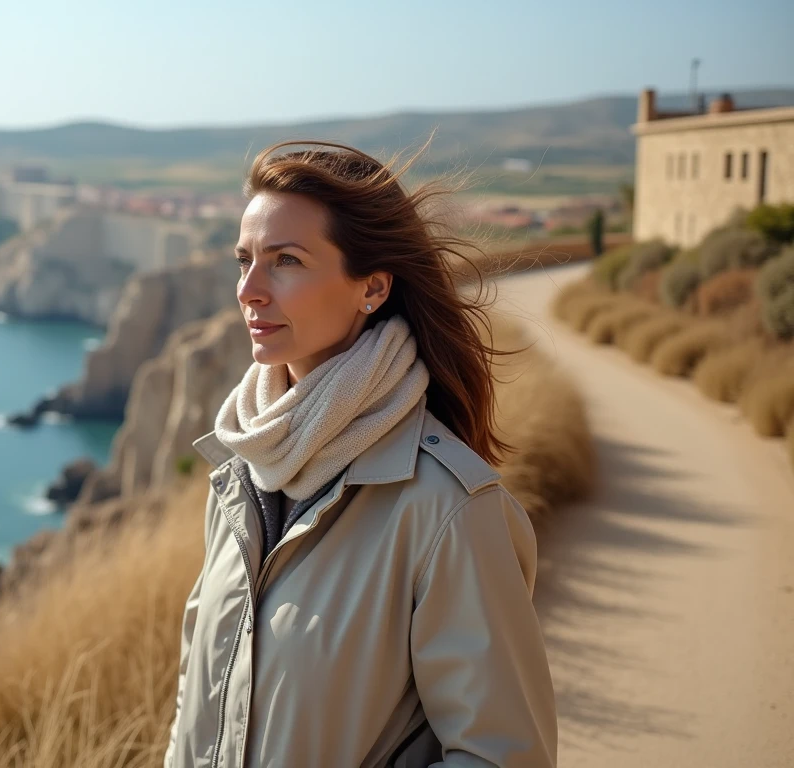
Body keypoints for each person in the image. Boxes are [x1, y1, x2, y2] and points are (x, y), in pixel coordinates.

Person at [162, 140, 557, 767]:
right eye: (244, 261)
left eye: (285, 261)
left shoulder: (449, 509)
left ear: (371, 287)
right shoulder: (242, 472)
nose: (250, 290)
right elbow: (197, 701)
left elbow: (501, 755)